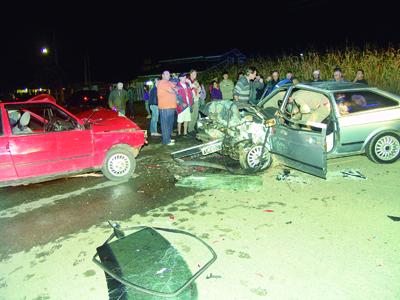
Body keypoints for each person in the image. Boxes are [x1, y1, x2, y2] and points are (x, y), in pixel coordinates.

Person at [157, 71, 177, 145]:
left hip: (171, 106)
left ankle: (168, 138)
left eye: (169, 74)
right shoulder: (162, 82)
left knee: (170, 124)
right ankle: (166, 141)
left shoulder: (169, 82)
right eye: (166, 74)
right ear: (162, 75)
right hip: (164, 107)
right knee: (165, 124)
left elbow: (177, 87)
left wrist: (175, 88)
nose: (168, 75)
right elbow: (172, 90)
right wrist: (174, 90)